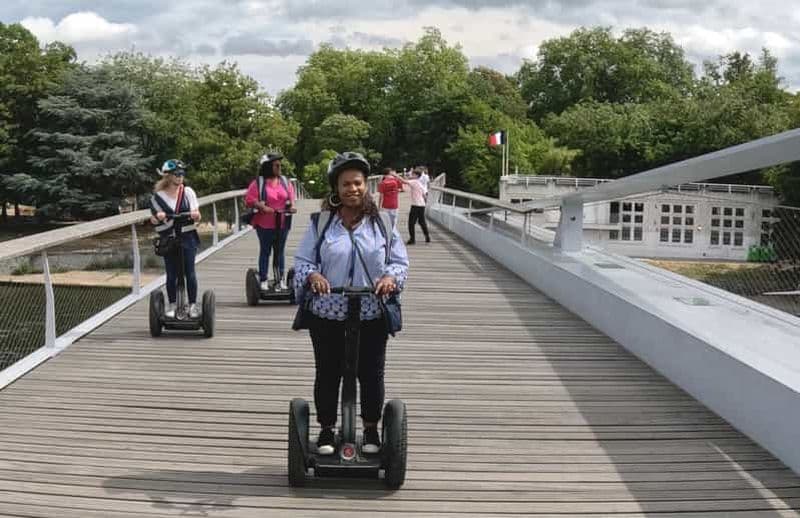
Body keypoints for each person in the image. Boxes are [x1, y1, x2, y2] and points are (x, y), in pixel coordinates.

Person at [293, 151, 409, 455]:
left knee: (371, 372)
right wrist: (313, 275)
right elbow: (303, 260)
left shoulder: (382, 222)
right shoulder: (321, 223)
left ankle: (371, 430)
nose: (352, 189)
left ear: (365, 186)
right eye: (346, 184)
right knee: (328, 371)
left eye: (357, 183)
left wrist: (390, 279)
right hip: (328, 310)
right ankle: (328, 430)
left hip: (371, 310)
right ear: (336, 188)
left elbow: (399, 262)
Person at [150, 159, 202, 318]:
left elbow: (198, 214)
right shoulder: (157, 198)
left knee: (190, 272)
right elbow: (152, 220)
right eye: (177, 174)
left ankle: (192, 305)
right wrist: (157, 217)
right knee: (171, 274)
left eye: (182, 173)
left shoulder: (188, 192)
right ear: (168, 176)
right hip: (169, 240)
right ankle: (172, 304)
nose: (180, 177)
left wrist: (195, 214)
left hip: (187, 237)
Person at [245, 153, 296, 291]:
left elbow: (291, 198)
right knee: (265, 251)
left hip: (282, 222)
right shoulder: (258, 183)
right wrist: (261, 206)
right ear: (268, 166)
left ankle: (280, 279)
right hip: (264, 223)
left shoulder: (285, 181)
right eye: (276, 165)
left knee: (280, 251)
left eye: (280, 165)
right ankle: (263, 279)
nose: (279, 167)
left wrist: (291, 207)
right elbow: (249, 200)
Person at [394, 168, 430, 244]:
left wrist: (395, 175)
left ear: (416, 175)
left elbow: (403, 181)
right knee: (422, 221)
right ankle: (427, 236)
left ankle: (412, 239)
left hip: (415, 205)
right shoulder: (421, 183)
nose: (411, 175)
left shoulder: (414, 181)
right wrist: (425, 203)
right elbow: (424, 195)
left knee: (411, 223)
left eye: (413, 174)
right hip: (422, 205)